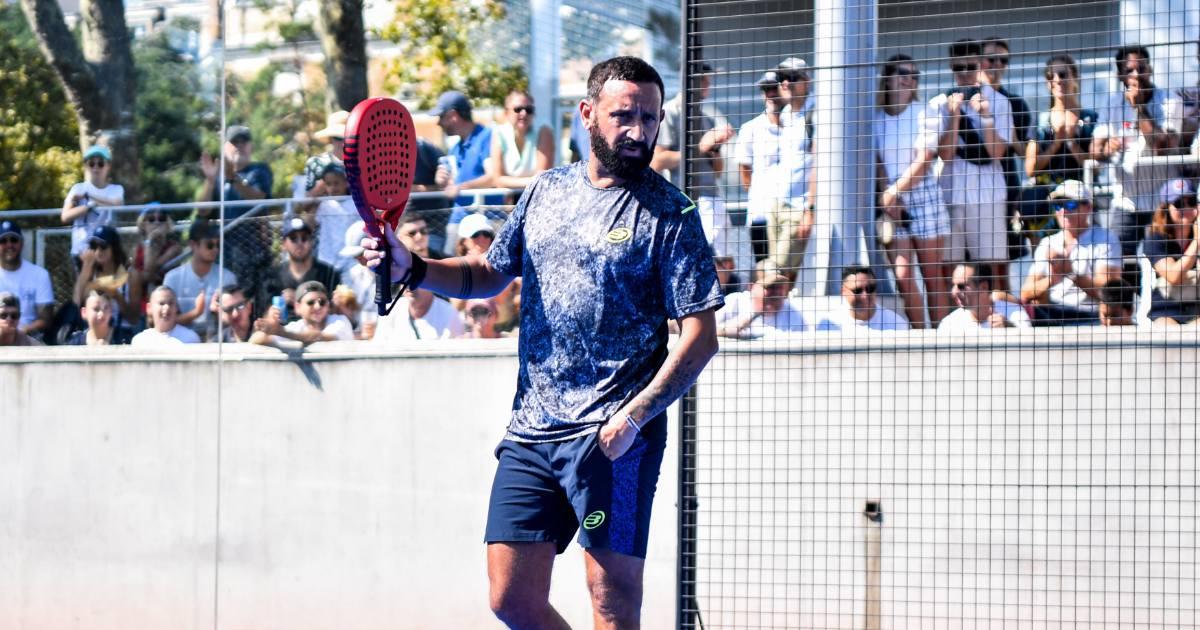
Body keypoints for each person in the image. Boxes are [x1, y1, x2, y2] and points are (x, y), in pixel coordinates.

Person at [361, 56, 722, 627]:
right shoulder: (544, 191)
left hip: (617, 440)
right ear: (586, 115)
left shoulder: (672, 214)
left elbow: (700, 338)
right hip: (532, 432)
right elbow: (487, 275)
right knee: (511, 598)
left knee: (612, 598)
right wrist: (411, 265)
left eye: (649, 118)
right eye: (622, 115)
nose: (638, 131)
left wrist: (636, 416)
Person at [875, 54, 955, 327]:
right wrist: (888, 193)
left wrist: (894, 191)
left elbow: (925, 159)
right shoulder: (876, 117)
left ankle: (941, 337)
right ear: (888, 78)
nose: (909, 79)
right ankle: (920, 335)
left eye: (914, 75)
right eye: (902, 73)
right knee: (902, 274)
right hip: (891, 199)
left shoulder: (924, 112)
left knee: (932, 274)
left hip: (922, 193)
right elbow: (876, 160)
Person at [939, 39, 1015, 290]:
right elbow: (945, 154)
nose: (964, 74)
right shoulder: (941, 102)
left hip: (988, 196)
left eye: (970, 66)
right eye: (958, 68)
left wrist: (986, 117)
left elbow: (996, 153)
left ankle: (1000, 321)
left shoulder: (1000, 102)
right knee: (951, 270)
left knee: (994, 269)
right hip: (951, 194)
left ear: (981, 64)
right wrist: (955, 116)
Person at [1091, 45, 1178, 253]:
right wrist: (1107, 149)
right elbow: (1094, 150)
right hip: (1127, 200)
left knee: (1166, 261)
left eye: (1141, 68)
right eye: (1129, 70)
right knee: (1118, 261)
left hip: (1163, 200)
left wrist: (1138, 108)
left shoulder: (1169, 100)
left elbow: (1161, 146)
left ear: (1150, 69)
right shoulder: (1112, 104)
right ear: (1120, 74)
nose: (1136, 75)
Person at [652, 62, 739, 265]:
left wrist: (715, 147)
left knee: (724, 260)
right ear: (689, 80)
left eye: (709, 78)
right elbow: (658, 161)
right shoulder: (670, 113)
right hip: (684, 199)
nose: (708, 83)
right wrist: (701, 147)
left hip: (712, 197)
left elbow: (717, 171)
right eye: (703, 78)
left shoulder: (705, 117)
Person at [735, 70, 807, 284]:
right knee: (764, 266)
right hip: (761, 210)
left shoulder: (797, 124)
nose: (770, 94)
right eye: (765, 89)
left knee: (789, 267)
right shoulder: (751, 129)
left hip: (791, 207)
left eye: (773, 88)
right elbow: (744, 172)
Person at [1022, 54, 1099, 247]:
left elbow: (1096, 166)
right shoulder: (1041, 121)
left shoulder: (1091, 118)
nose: (1057, 80)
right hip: (1048, 205)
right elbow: (1030, 168)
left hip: (1080, 201)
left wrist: (1071, 142)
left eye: (1063, 74)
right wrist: (1056, 143)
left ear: (1075, 78)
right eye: (1051, 76)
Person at [1020, 180, 1122, 325]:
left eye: (1070, 204)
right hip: (1052, 313)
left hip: (1090, 315)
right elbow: (1025, 292)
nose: (1063, 211)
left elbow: (1108, 295)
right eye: (1058, 205)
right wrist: (1052, 279)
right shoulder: (1048, 243)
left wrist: (1071, 274)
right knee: (1001, 299)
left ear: (1088, 207)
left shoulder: (1106, 239)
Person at [197, 125, 274, 298]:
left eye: (243, 142)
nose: (239, 146)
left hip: (253, 250)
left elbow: (259, 199)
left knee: (253, 300)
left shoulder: (260, 170)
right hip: (224, 251)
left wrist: (233, 179)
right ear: (225, 147)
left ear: (250, 146)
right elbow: (203, 211)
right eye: (234, 142)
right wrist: (210, 181)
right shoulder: (217, 177)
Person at [980, 37, 1034, 261]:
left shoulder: (1016, 103)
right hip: (968, 187)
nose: (997, 65)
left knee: (1005, 255)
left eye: (1003, 60)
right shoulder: (963, 97)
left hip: (1006, 185)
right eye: (991, 59)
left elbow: (1025, 153)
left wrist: (1011, 137)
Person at [432, 90, 504, 253]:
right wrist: (442, 181)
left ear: (453, 115)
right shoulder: (455, 148)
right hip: (458, 219)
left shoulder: (488, 137)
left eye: (441, 117)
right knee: (450, 271)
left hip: (488, 221)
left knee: (490, 271)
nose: (439, 123)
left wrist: (461, 187)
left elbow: (493, 177)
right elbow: (451, 185)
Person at [257, 213, 340, 320]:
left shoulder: (328, 273)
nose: (299, 243)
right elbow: (263, 317)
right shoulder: (271, 276)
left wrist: (303, 301)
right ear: (283, 245)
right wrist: (278, 306)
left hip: (319, 331)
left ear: (311, 242)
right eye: (293, 238)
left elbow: (336, 312)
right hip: (283, 331)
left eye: (304, 238)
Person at [163, 221, 237, 340]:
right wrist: (195, 313)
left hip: (217, 340)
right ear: (193, 245)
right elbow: (166, 322)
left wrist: (220, 312)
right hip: (180, 341)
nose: (215, 249)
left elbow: (233, 320)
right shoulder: (172, 278)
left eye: (218, 245)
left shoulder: (227, 277)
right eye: (209, 245)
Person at [1142, 179, 1200, 326]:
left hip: (1197, 310)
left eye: (1191, 202)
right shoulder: (1156, 238)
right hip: (1166, 310)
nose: (1186, 208)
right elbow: (1174, 276)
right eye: (1179, 203)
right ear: (1166, 208)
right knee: (1166, 330)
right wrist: (1197, 242)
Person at [62, 145, 124, 265]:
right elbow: (65, 216)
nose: (96, 168)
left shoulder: (116, 189)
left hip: (107, 250)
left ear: (108, 166)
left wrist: (88, 196)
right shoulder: (77, 188)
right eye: (91, 164)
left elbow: (117, 204)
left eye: (100, 164)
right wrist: (89, 206)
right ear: (86, 166)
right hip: (82, 250)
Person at [716, 260, 807, 339]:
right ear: (751, 287)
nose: (777, 292)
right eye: (770, 287)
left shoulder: (792, 313)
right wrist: (749, 317)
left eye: (780, 287)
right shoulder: (734, 302)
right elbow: (709, 331)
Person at [487, 90, 555, 193]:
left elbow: (542, 178)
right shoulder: (499, 133)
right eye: (518, 109)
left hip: (538, 197)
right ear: (506, 113)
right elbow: (497, 180)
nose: (524, 113)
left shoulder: (544, 131)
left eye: (529, 110)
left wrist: (508, 182)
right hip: (508, 203)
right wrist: (530, 181)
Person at [300, 154, 358, 272]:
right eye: (328, 184)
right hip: (328, 259)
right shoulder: (324, 204)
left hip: (351, 260)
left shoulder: (356, 203)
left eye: (336, 183)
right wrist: (315, 200)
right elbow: (309, 225)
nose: (333, 188)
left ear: (346, 183)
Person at [73, 225, 138, 329]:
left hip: (121, 332)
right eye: (94, 246)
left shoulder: (131, 274)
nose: (98, 251)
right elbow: (76, 304)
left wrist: (116, 296)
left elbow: (134, 319)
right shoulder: (89, 272)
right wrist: (86, 268)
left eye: (103, 246)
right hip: (93, 332)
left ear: (114, 247)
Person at [250, 280, 354, 346]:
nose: (317, 306)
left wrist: (280, 332)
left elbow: (318, 337)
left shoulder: (340, 321)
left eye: (322, 302)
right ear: (298, 307)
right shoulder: (296, 327)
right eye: (310, 302)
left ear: (328, 305)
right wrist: (268, 325)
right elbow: (256, 340)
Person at [0, 220, 54, 341]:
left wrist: (19, 332)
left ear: (22, 243)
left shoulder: (40, 275)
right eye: (3, 241)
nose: (9, 245)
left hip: (27, 337)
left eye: (13, 240)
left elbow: (46, 320)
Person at [127, 203, 184, 318]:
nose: (157, 223)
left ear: (167, 224)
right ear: (143, 224)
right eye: (151, 219)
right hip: (143, 303)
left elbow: (149, 269)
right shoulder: (136, 250)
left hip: (167, 302)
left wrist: (150, 241)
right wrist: (149, 242)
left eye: (161, 219)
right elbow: (135, 277)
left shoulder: (174, 248)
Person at [938, 262, 1032, 331]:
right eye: (952, 286)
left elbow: (1031, 346)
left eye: (961, 286)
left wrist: (1009, 329)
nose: (953, 292)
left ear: (983, 287)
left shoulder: (1014, 312)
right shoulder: (949, 323)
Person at [815, 266, 910, 332]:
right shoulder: (829, 324)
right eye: (857, 290)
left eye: (870, 289)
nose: (865, 296)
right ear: (843, 291)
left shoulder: (895, 323)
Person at [370, 286, 464, 341]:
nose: (409, 286)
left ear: (431, 283)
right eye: (404, 279)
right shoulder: (390, 310)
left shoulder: (449, 313)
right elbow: (380, 346)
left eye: (416, 280)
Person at [130, 286, 202, 346]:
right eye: (161, 303)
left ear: (176, 308)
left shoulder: (190, 338)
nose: (167, 307)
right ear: (149, 308)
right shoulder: (140, 341)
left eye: (171, 303)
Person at [65, 290, 135, 345]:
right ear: (84, 313)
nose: (101, 314)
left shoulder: (124, 339)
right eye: (96, 309)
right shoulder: (74, 343)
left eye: (106, 308)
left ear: (111, 311)